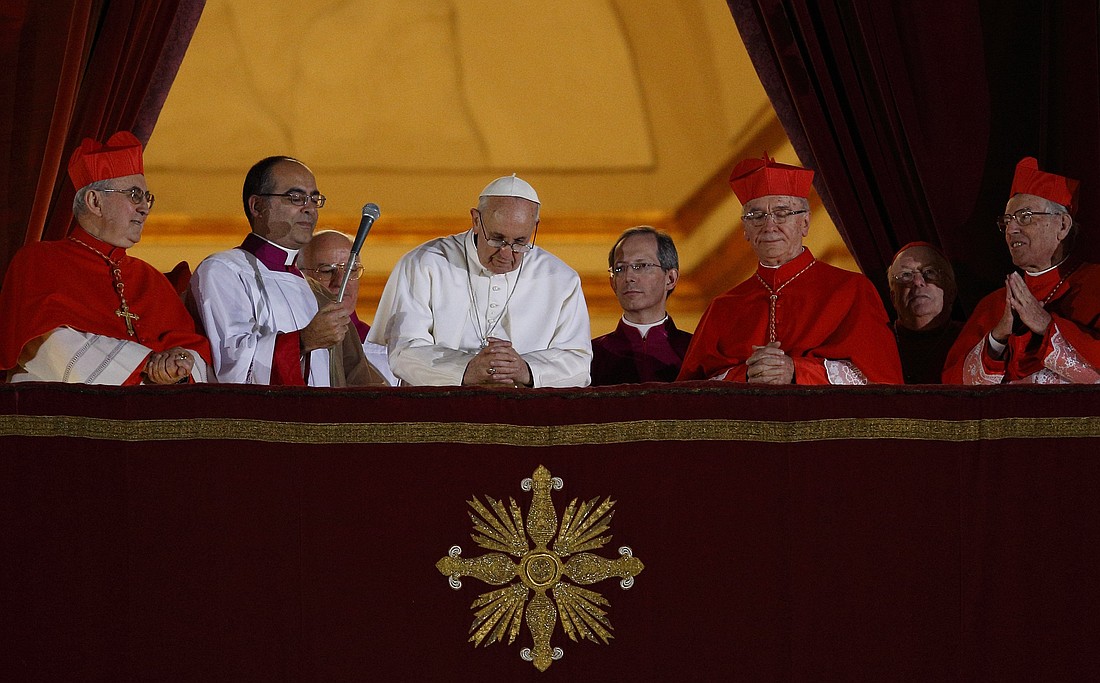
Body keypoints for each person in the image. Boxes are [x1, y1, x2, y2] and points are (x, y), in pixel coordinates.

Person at [0, 131, 211, 384]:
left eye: (147, 198)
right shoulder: (38, 260)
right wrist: (148, 365)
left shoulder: (151, 279)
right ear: (94, 201)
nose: (144, 208)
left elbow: (194, 353)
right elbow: (50, 346)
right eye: (134, 195)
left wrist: (179, 363)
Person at [677, 153, 902, 384]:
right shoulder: (723, 307)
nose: (769, 226)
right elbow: (690, 392)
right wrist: (746, 374)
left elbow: (879, 380)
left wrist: (796, 370)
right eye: (756, 216)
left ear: (804, 223)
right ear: (745, 229)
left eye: (782, 213)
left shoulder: (852, 290)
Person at [368, 174, 591, 387]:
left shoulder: (560, 278)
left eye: (520, 242)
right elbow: (403, 351)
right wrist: (465, 369)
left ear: (534, 227)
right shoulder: (424, 264)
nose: (506, 253)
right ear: (476, 220)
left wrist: (526, 370)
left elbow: (578, 363)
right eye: (497, 239)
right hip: (440, 412)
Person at [189, 156, 350, 385]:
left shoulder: (309, 287)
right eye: (296, 198)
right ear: (257, 206)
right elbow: (234, 366)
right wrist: (303, 341)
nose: (310, 209)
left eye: (314, 199)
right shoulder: (223, 270)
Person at [943, 157, 1100, 384]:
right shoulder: (992, 305)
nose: (1011, 229)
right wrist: (998, 337)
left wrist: (1046, 325)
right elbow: (953, 388)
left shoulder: (1095, 283)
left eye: (1025, 217)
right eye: (1007, 221)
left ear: (1063, 225)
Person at [591, 226, 692, 385]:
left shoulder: (694, 352)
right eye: (620, 269)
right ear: (613, 284)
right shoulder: (590, 356)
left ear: (670, 279)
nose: (628, 277)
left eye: (641, 266)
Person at [298, 229, 397, 385]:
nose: (340, 282)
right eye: (326, 271)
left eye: (351, 271)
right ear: (300, 276)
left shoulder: (387, 349)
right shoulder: (291, 343)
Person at [887, 242, 963, 383]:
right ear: (893, 298)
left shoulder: (970, 338)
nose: (917, 282)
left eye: (930, 272)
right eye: (905, 275)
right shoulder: (879, 343)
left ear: (951, 291)